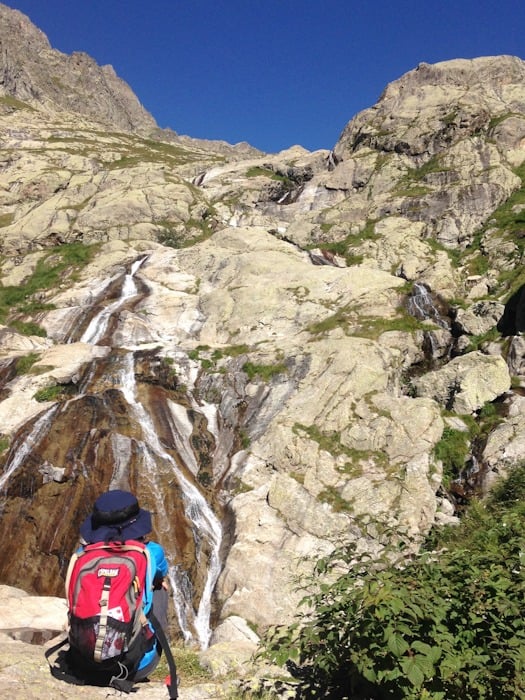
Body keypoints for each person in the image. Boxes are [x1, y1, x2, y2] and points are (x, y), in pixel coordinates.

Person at [78, 488, 170, 680]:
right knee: (160, 586)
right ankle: (152, 643)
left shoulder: (82, 554)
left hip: (83, 662)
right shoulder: (152, 552)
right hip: (135, 667)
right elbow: (161, 573)